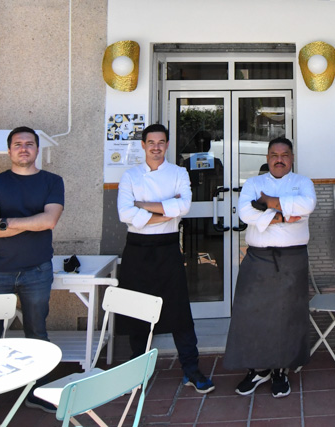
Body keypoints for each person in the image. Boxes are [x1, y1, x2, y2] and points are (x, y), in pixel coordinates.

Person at [116, 123, 215, 394]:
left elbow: (183, 206)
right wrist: (164, 213)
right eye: (151, 142)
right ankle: (138, 372)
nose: (156, 147)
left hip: (169, 247)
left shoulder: (178, 172)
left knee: (179, 311)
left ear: (167, 145)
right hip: (137, 249)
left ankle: (191, 370)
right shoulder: (131, 176)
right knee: (137, 310)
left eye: (161, 142)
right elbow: (125, 214)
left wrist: (144, 207)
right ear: (143, 145)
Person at [0, 126, 64, 412]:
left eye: (29, 144)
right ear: (9, 149)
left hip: (37, 270)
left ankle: (36, 392)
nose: (23, 148)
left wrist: (6, 223)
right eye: (18, 144)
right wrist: (28, 222)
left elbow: (49, 221)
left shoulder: (52, 182)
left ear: (38, 149)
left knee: (37, 333)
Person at [223, 137, 315, 398]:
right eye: (274, 154)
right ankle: (257, 369)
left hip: (293, 258)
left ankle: (280, 371)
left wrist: (266, 202)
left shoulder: (302, 183)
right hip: (257, 257)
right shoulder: (254, 184)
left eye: (285, 154)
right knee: (251, 313)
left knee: (288, 317)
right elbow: (244, 213)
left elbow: (307, 206)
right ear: (267, 157)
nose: (279, 159)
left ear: (292, 158)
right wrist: (283, 215)